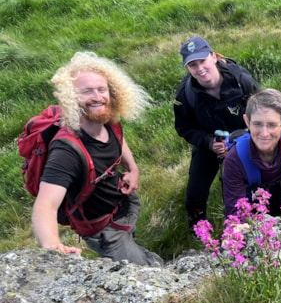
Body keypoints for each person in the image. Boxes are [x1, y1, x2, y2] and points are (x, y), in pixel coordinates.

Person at [32, 51, 163, 266]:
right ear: (71, 97)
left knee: (135, 248)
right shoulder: (67, 151)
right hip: (105, 229)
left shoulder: (107, 120)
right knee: (147, 273)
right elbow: (45, 205)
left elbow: (119, 139)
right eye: (86, 91)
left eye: (102, 89)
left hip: (123, 205)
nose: (97, 97)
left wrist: (132, 168)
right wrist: (52, 246)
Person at [174, 36, 259, 228]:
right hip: (209, 146)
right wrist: (209, 142)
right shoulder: (185, 94)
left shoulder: (242, 81)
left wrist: (239, 142)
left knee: (241, 188)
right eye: (192, 65)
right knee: (195, 193)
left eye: (202, 60)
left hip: (246, 143)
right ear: (187, 68)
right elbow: (183, 127)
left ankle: (247, 226)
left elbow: (262, 116)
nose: (199, 68)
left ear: (213, 57)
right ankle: (198, 231)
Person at [222, 88, 281, 217]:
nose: (264, 133)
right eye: (257, 124)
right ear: (247, 122)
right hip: (255, 218)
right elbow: (236, 213)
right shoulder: (234, 159)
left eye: (272, 125)